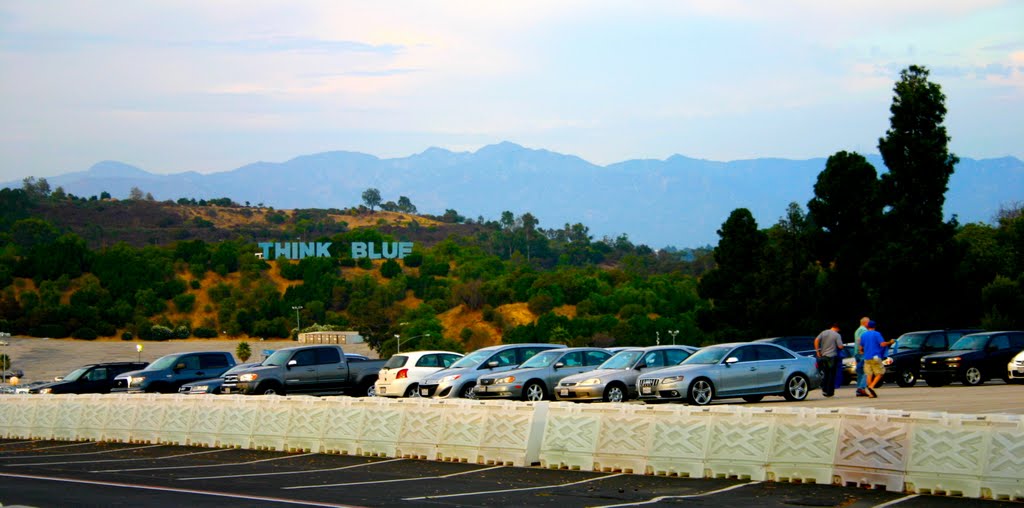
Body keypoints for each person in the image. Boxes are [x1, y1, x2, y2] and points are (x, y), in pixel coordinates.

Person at [859, 320, 893, 398]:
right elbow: (882, 344)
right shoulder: (877, 334)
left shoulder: (864, 335)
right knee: (880, 372)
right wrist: (890, 342)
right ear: (875, 326)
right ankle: (871, 386)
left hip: (867, 357)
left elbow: (861, 348)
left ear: (867, 326)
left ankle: (871, 392)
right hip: (875, 357)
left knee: (869, 374)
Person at [814, 323, 844, 397]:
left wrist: (817, 351)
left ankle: (824, 389)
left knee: (825, 373)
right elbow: (840, 346)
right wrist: (842, 346)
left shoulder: (824, 332)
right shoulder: (837, 335)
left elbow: (816, 340)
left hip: (823, 356)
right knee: (832, 374)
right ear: (837, 328)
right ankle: (830, 392)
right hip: (832, 357)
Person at [854, 316, 870, 397]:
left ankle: (858, 389)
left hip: (856, 353)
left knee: (860, 372)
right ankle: (862, 388)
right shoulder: (864, 330)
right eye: (869, 322)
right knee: (866, 371)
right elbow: (861, 340)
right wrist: (862, 349)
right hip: (862, 353)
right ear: (865, 323)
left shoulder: (857, 330)